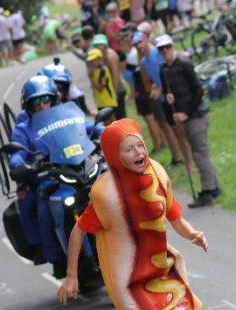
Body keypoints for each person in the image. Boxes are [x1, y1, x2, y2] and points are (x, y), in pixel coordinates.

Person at [57, 118, 206, 310]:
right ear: (115, 155)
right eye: (129, 149)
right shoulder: (106, 195)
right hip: (130, 275)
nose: (139, 153)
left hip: (161, 265)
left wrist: (192, 234)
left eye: (140, 145)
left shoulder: (158, 174)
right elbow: (78, 232)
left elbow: (174, 217)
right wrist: (71, 276)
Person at [8, 76, 66, 277]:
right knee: (44, 207)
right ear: (29, 105)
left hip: (75, 171)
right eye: (36, 101)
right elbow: (16, 155)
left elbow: (89, 128)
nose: (42, 105)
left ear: (54, 99)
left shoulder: (66, 116)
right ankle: (53, 256)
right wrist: (19, 166)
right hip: (46, 179)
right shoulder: (23, 129)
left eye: (45, 99)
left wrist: (108, 132)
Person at [158, 34, 222, 208]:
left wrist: (186, 112)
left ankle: (208, 191)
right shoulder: (163, 70)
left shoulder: (185, 65)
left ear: (173, 47)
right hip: (183, 118)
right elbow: (166, 94)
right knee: (199, 152)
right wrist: (168, 99)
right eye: (161, 49)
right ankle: (215, 187)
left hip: (196, 116)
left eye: (167, 47)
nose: (165, 51)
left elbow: (199, 90)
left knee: (199, 154)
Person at [134, 30, 185, 166]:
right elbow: (155, 79)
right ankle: (176, 156)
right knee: (164, 126)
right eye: (135, 44)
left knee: (176, 128)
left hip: (172, 95)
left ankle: (184, 156)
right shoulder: (144, 62)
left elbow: (169, 72)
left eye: (140, 42)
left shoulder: (158, 53)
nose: (138, 46)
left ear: (146, 39)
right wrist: (154, 88)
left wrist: (160, 88)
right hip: (160, 98)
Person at [92, 33, 127, 119]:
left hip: (117, 90)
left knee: (120, 119)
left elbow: (115, 76)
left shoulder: (110, 56)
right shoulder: (100, 56)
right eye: (97, 45)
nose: (99, 47)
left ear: (105, 45)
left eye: (101, 45)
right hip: (109, 92)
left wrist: (114, 94)